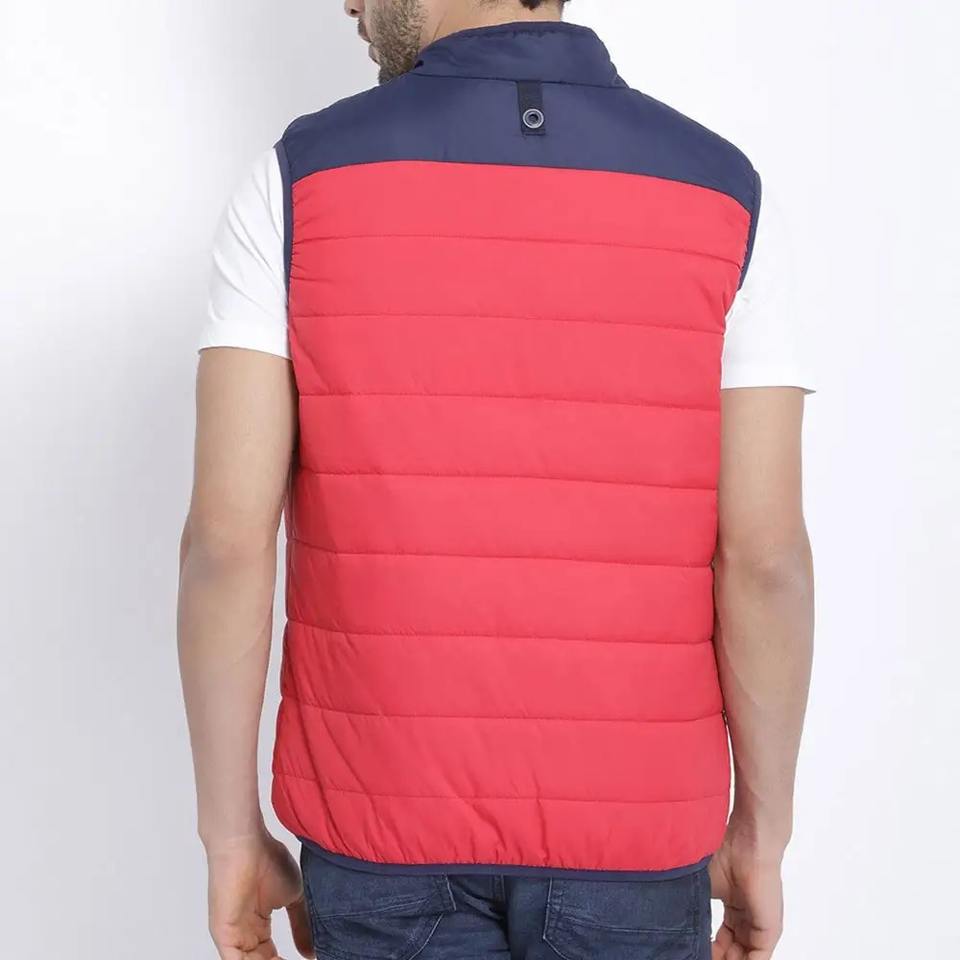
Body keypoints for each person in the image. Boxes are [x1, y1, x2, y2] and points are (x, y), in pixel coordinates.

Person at [177, 1, 815, 957]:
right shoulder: (721, 190)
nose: (348, 2)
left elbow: (227, 546)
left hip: (380, 832)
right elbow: (764, 559)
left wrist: (231, 837)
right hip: (638, 842)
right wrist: (761, 836)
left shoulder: (297, 180)